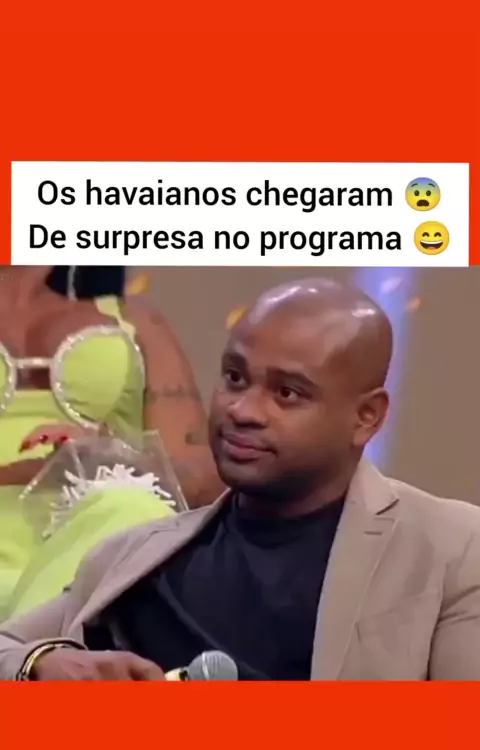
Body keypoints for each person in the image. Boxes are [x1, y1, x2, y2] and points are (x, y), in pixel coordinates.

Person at [1, 277, 480, 681]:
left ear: (366, 417)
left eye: (287, 393)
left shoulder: (451, 549)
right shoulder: (132, 556)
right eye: (234, 377)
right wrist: (41, 662)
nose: (243, 410)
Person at [0, 265, 223, 611]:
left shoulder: (136, 321)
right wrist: (24, 471)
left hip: (96, 541)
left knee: (134, 507)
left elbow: (203, 482)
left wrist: (104, 458)